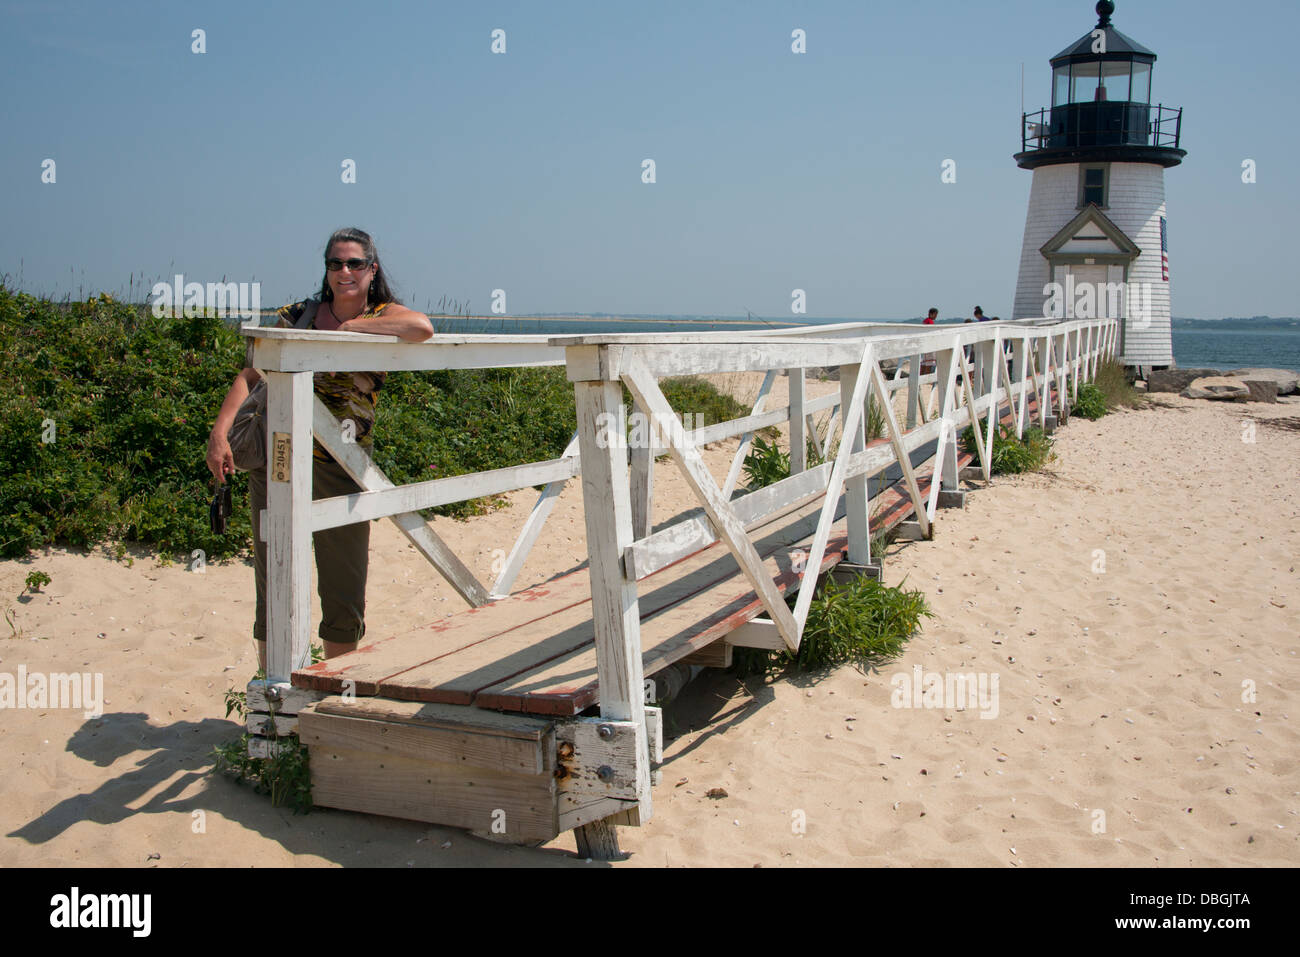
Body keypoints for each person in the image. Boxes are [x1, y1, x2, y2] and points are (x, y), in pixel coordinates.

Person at [206, 227, 434, 671]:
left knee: (343, 586)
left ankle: (337, 692)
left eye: (353, 263)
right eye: (335, 264)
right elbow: (253, 372)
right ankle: (274, 695)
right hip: (280, 458)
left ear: (372, 268)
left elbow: (421, 327)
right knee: (272, 579)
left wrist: (353, 328)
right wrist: (220, 432)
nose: (343, 272)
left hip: (342, 463)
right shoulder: (298, 314)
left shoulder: (382, 312)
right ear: (326, 270)